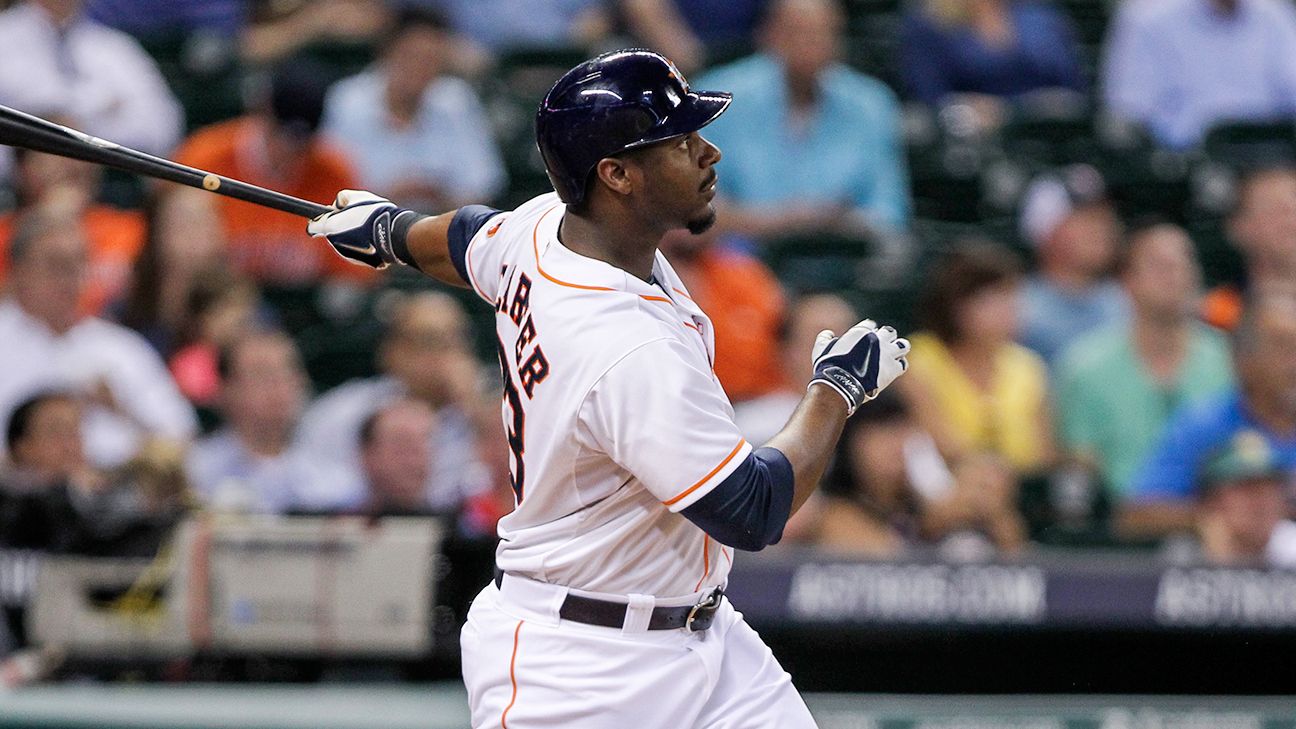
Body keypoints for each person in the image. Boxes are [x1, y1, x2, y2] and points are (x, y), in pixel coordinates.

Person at [307, 49, 909, 728]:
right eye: (679, 143)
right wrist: (836, 387)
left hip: (704, 640)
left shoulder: (546, 229)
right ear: (616, 174)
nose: (708, 153)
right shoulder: (624, 346)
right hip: (581, 669)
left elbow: (469, 235)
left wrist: (390, 231)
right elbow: (752, 508)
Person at [696, 0, 912, 240]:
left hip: (841, 256)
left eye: (822, 34)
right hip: (739, 257)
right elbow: (696, 208)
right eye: (797, 33)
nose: (809, 45)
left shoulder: (872, 104)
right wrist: (782, 222)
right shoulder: (717, 98)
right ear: (768, 34)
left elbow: (889, 210)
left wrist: (840, 223)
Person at [0, 209, 197, 469]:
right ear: (20, 270)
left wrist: (120, 408)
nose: (69, 279)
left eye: (77, 265)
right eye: (55, 264)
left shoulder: (120, 348)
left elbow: (182, 438)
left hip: (113, 491)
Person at [1057, 222, 1233, 500]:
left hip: (1219, 524)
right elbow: (1080, 469)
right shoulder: (1086, 367)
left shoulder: (1229, 361)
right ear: (1128, 281)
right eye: (1161, 266)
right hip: (1121, 528)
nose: (1175, 275)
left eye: (1185, 263)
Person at [171, 59, 370, 287]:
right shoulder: (204, 157)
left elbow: (359, 269)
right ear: (264, 114)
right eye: (282, 135)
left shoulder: (334, 171)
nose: (290, 150)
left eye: (302, 142)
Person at [295, 291, 492, 515]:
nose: (445, 353)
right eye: (430, 340)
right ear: (392, 351)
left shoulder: (483, 414)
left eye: (457, 339)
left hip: (458, 544)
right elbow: (306, 484)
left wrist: (476, 411)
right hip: (363, 534)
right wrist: (381, 492)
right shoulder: (344, 411)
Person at [1126, 292, 1296, 536]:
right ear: (1242, 360)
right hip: (1229, 568)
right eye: (1282, 347)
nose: (1294, 361)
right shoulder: (1204, 424)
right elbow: (1139, 513)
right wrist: (1224, 517)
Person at [322, 7, 505, 211]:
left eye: (431, 60)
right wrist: (390, 195)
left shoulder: (457, 100)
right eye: (411, 57)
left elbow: (483, 189)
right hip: (364, 232)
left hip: (441, 230)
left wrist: (438, 196)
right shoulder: (347, 100)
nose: (419, 69)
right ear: (386, 52)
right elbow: (331, 190)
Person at [902, 241, 1054, 475]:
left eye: (1013, 297)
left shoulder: (1029, 366)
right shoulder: (918, 360)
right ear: (957, 305)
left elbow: (1044, 453)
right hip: (946, 484)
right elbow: (938, 444)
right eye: (993, 298)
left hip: (1021, 489)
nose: (1008, 310)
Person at [0, 0, 183, 180]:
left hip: (109, 181)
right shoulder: (5, 37)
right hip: (14, 185)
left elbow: (162, 125)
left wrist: (84, 130)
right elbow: (38, 110)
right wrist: (102, 105)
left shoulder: (113, 45)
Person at [1101, 0, 1296, 149]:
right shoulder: (1146, 18)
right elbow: (1128, 113)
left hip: (1269, 153)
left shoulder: (1276, 15)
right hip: (1183, 166)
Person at [185, 330, 333, 514]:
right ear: (226, 388)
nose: (279, 385)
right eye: (261, 374)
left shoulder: (331, 474)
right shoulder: (193, 473)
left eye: (288, 372)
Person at [0, 149, 146, 318]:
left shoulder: (127, 228)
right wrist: (45, 220)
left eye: (79, 154)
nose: (74, 165)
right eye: (57, 155)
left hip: (102, 334)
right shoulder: (7, 232)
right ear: (24, 170)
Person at [656, 226, 787, 403]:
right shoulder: (642, 285)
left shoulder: (744, 272)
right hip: (685, 404)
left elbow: (785, 336)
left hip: (760, 401)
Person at [1016, 164, 1128, 368]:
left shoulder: (1127, 302)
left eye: (1104, 217)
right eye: (1085, 219)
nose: (1101, 228)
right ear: (1046, 231)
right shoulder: (1018, 310)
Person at [899, 0, 1086, 111]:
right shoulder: (929, 23)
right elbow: (929, 97)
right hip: (969, 144)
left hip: (1044, 132)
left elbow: (1072, 85)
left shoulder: (1039, 15)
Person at [1202, 165, 1296, 330]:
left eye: (1293, 205)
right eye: (1272, 209)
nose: (1289, 218)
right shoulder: (1218, 311)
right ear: (1238, 226)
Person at [1194, 431, 1296, 567]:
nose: (1261, 503)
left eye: (1269, 490)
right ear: (1213, 502)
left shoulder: (1290, 547)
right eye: (1248, 490)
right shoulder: (1178, 561)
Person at [357, 399, 437, 515]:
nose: (414, 460)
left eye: (425, 442)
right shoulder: (338, 525)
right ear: (368, 454)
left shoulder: (461, 523)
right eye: (402, 444)